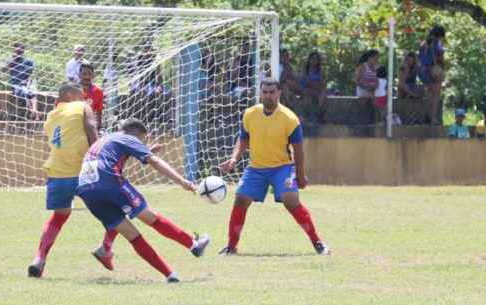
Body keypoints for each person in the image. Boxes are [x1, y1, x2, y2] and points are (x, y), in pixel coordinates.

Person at [77, 118, 211, 283]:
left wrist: (147, 150)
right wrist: (182, 181)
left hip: (85, 189)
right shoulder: (129, 138)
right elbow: (153, 161)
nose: (140, 143)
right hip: (108, 181)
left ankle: (170, 275)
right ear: (137, 134)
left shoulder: (107, 139)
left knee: (132, 234)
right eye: (142, 140)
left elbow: (111, 157)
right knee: (150, 217)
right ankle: (194, 245)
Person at [217, 78, 330, 256]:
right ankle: (231, 246)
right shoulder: (250, 114)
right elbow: (243, 139)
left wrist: (300, 176)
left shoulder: (290, 119)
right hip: (255, 168)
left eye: (272, 92)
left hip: (283, 168)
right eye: (265, 92)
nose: (268, 96)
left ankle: (318, 243)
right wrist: (233, 159)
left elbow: (299, 151)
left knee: (291, 201)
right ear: (260, 93)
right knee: (240, 199)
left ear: (279, 93)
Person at [27, 82, 99, 278]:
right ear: (68, 94)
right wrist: (100, 157)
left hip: (57, 172)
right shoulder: (83, 106)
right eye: (80, 93)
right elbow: (92, 129)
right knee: (115, 210)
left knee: (59, 216)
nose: (84, 95)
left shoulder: (50, 116)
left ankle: (39, 259)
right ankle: (106, 248)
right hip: (84, 170)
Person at [418, 25, 447, 125]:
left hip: (422, 71)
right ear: (440, 35)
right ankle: (432, 117)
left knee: (429, 93)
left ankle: (425, 116)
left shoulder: (423, 43)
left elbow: (420, 58)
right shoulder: (437, 43)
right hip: (433, 70)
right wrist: (442, 69)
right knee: (436, 94)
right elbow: (441, 59)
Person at [1, 42, 38, 120]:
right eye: (16, 51)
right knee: (23, 91)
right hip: (15, 84)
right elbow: (3, 70)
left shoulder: (28, 61)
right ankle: (32, 111)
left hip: (26, 82)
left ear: (23, 52)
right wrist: (13, 61)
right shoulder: (10, 60)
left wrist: (25, 81)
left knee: (32, 89)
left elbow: (30, 73)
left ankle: (34, 110)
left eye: (19, 52)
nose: (17, 53)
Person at [299, 51, 328, 122]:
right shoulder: (305, 70)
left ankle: (320, 112)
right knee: (307, 92)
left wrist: (317, 85)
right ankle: (305, 114)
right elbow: (305, 82)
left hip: (318, 90)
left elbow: (323, 82)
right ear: (309, 60)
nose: (314, 61)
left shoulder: (320, 71)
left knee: (323, 92)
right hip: (307, 90)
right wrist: (314, 84)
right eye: (313, 59)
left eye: (316, 59)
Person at [79, 63, 104, 129]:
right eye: (84, 74)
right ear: (79, 75)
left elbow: (99, 110)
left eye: (89, 74)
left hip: (89, 124)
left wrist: (99, 124)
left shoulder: (98, 91)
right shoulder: (72, 90)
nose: (86, 77)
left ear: (93, 76)